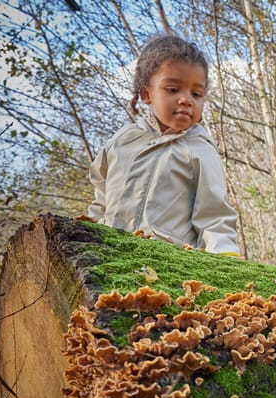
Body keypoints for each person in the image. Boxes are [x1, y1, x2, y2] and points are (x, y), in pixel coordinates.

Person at [87, 35, 240, 256]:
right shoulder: (122, 141)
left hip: (171, 262)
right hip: (110, 256)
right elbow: (101, 196)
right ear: (146, 94)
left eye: (196, 94)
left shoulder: (200, 149)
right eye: (172, 89)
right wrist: (89, 231)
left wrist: (225, 256)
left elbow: (214, 215)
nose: (186, 99)